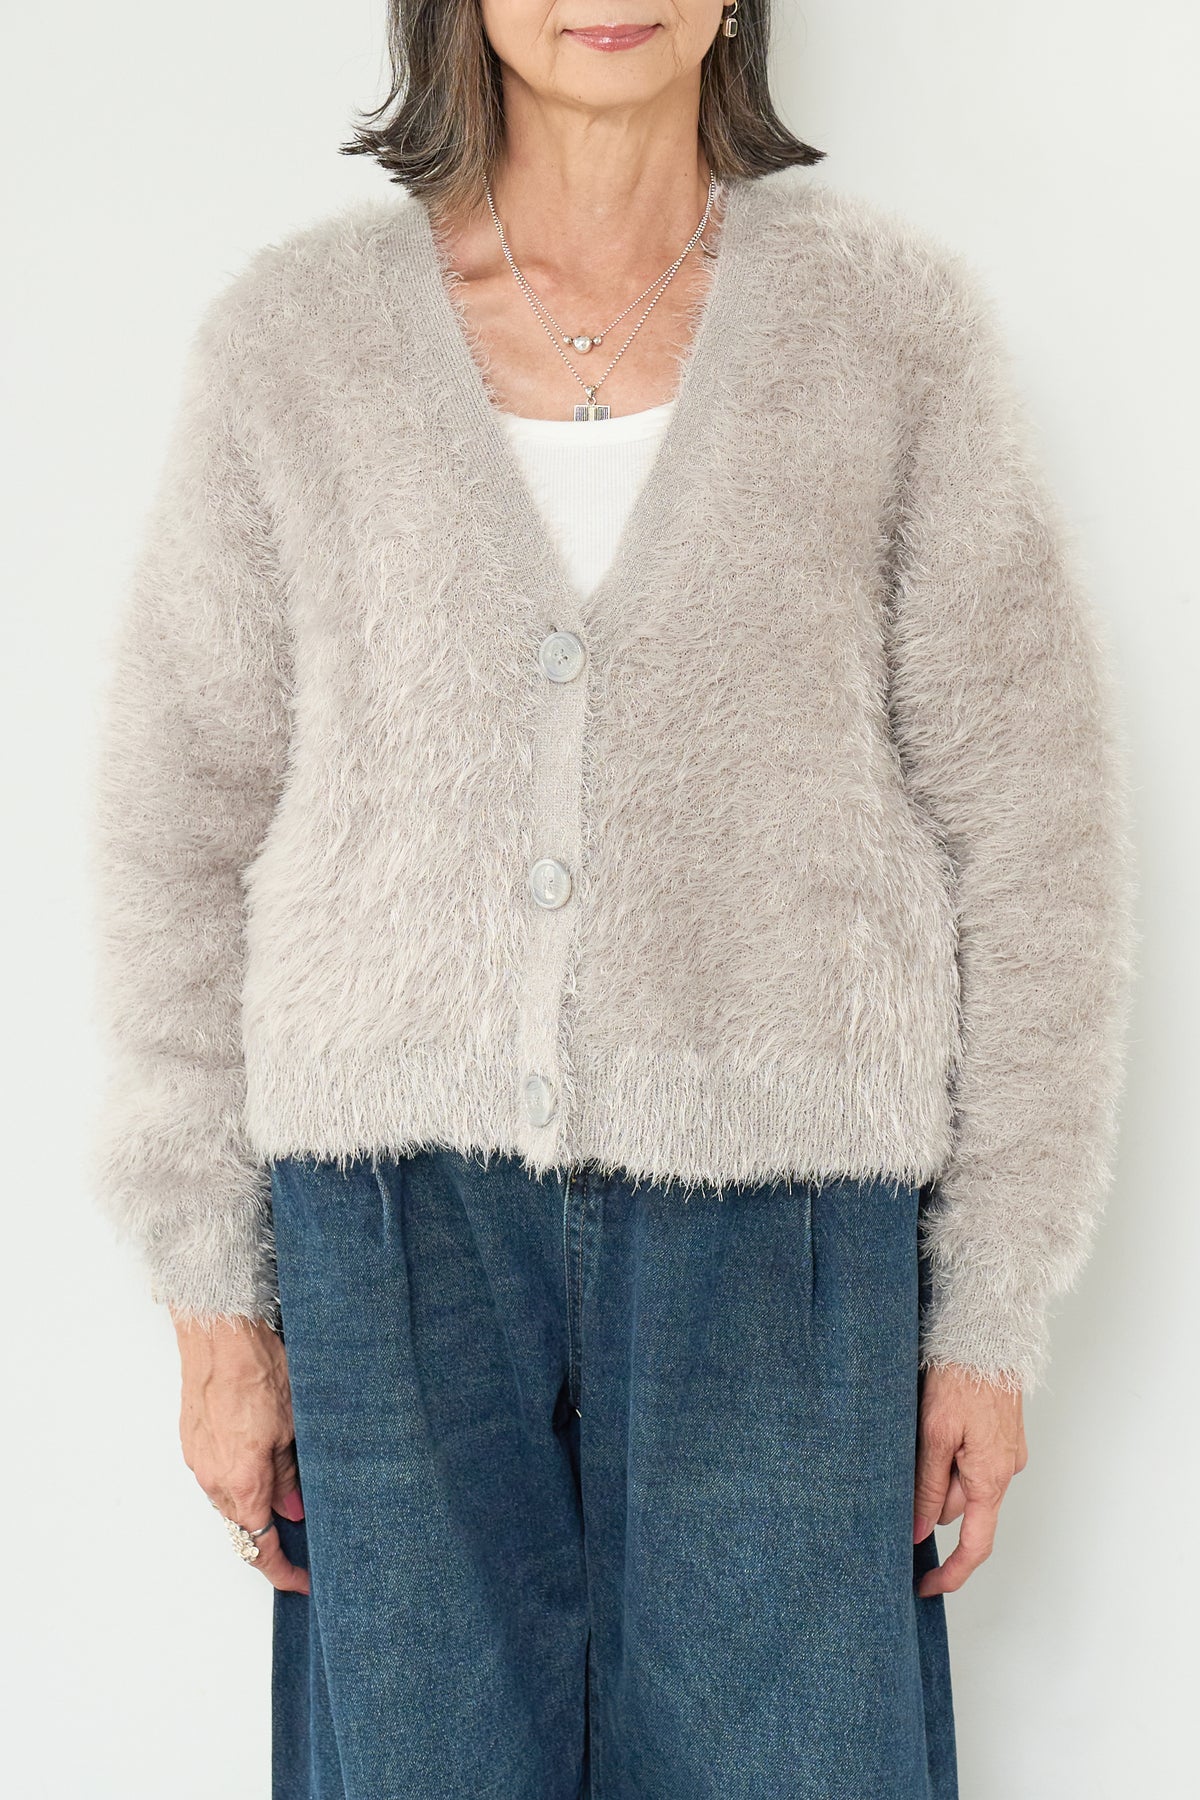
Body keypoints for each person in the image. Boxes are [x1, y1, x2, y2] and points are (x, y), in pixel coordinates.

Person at [88, 2, 1137, 1795]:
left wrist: (988, 1310)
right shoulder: (296, 342)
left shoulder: (892, 332)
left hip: (788, 1239)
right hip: (393, 1243)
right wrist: (212, 1297)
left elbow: (1033, 833)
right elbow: (175, 825)